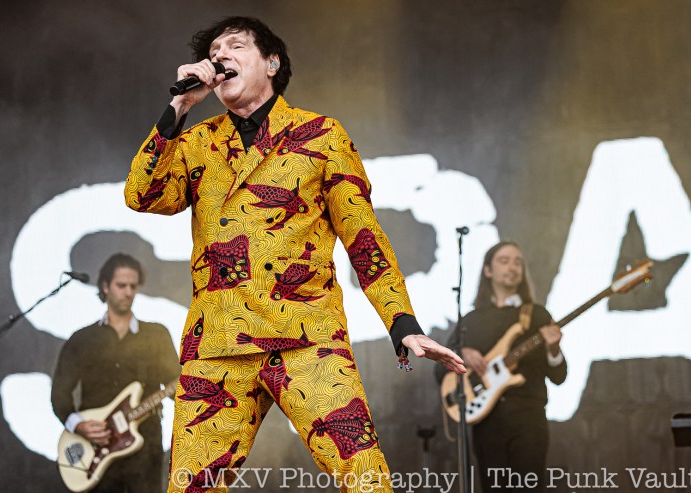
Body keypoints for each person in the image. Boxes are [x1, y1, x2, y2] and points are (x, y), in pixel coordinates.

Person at [124, 16, 465, 493]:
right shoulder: (197, 142)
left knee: (365, 479)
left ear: (271, 63)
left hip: (307, 339)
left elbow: (363, 238)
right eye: (214, 51)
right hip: (218, 345)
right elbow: (142, 195)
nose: (220, 56)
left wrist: (402, 323)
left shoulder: (321, 135)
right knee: (190, 488)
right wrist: (179, 106)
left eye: (235, 46)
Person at [436, 241, 567, 493]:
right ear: (488, 270)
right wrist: (462, 354)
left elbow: (559, 376)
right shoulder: (471, 321)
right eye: (504, 261)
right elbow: (439, 371)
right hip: (487, 425)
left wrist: (553, 349)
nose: (512, 267)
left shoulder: (537, 315)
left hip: (529, 421)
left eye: (518, 262)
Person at [51, 253, 181, 493]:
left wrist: (200, 379)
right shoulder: (82, 339)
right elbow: (59, 394)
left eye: (133, 286)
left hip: (145, 447)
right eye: (121, 285)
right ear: (105, 287)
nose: (129, 292)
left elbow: (177, 385)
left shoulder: (157, 335)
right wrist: (79, 426)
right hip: (96, 447)